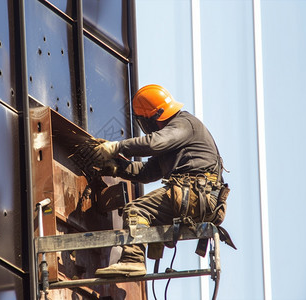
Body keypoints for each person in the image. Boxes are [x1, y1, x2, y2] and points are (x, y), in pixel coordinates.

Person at [89, 84, 229, 277]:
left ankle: (133, 261)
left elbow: (155, 142)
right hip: (201, 198)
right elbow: (148, 171)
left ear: (149, 119)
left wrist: (117, 147)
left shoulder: (183, 123)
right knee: (145, 215)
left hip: (197, 194)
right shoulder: (175, 136)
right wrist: (116, 168)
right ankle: (134, 259)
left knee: (136, 210)